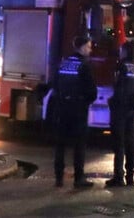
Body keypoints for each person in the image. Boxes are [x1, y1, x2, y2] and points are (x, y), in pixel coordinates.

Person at [49, 35, 98, 189]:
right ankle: (79, 178)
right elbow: (92, 91)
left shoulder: (64, 63)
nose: (90, 50)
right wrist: (85, 102)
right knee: (79, 145)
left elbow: (55, 84)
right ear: (82, 47)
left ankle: (59, 178)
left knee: (60, 145)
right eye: (89, 46)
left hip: (62, 108)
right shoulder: (84, 65)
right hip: (78, 110)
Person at [105, 39, 134, 188]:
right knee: (130, 142)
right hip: (131, 110)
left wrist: (112, 103)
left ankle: (118, 176)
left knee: (119, 143)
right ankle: (130, 176)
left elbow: (118, 87)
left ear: (125, 51)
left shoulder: (122, 67)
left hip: (120, 110)